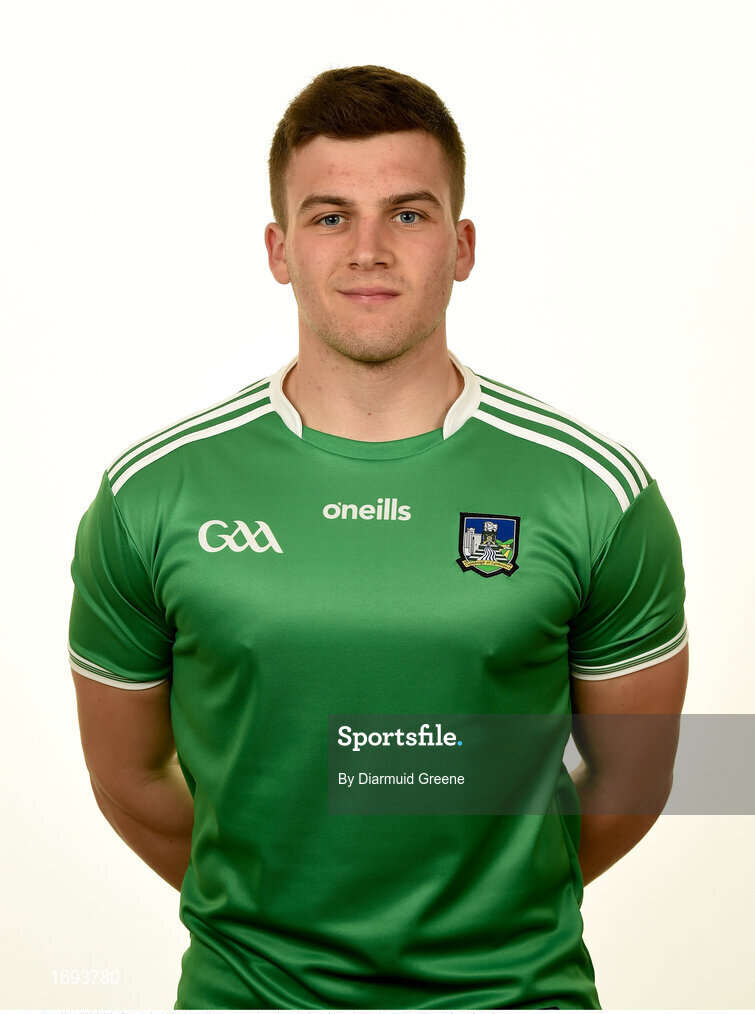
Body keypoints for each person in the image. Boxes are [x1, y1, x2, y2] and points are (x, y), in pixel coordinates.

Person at [68, 65, 689, 1010]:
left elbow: (634, 778)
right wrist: (277, 923)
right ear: (278, 249)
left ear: (461, 244)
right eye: (328, 217)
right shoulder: (153, 494)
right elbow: (129, 777)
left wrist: (494, 916)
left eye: (407, 214)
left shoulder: (595, 492)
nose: (368, 249)